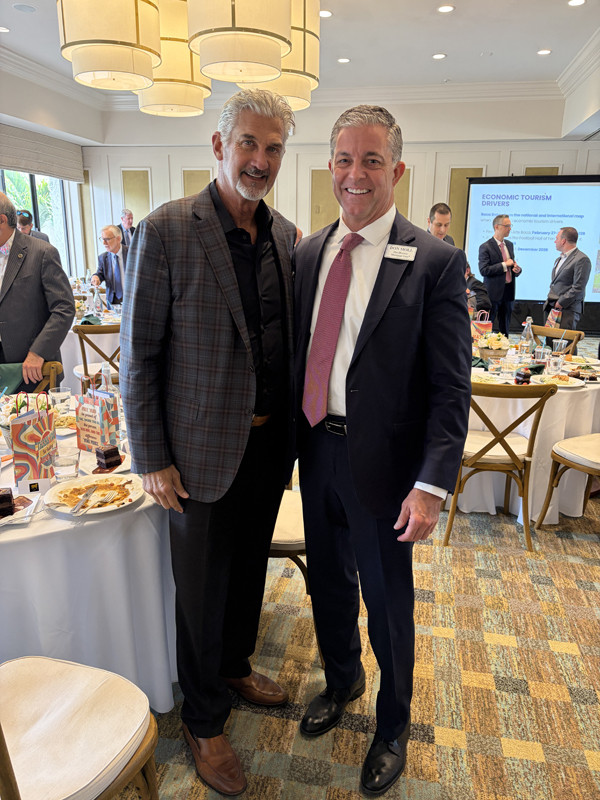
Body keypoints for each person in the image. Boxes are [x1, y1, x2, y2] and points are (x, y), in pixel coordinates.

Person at [120, 89, 297, 797]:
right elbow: (139, 357)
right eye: (248, 143)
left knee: (249, 570)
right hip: (193, 456)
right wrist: (150, 456)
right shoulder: (167, 229)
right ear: (220, 146)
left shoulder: (285, 234)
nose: (260, 160)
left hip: (268, 446)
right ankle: (202, 718)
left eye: (274, 148)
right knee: (199, 590)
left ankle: (233, 666)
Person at [294, 106, 471, 796]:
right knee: (329, 585)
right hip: (316, 450)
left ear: (397, 169)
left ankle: (393, 725)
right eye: (344, 159)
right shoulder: (309, 252)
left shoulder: (435, 261)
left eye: (371, 160)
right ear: (330, 166)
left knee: (388, 602)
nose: (355, 174)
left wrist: (431, 484)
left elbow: (450, 388)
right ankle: (342, 681)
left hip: (388, 468)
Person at [0, 193, 74, 391]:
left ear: (2, 220)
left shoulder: (42, 252)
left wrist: (38, 352)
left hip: (32, 368)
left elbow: (64, 309)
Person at [478, 214, 522, 336]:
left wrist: (517, 269)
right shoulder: (485, 247)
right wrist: (504, 265)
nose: (510, 229)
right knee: (488, 327)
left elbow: (511, 265)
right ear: (497, 227)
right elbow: (484, 270)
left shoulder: (509, 245)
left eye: (510, 226)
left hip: (508, 291)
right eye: (507, 226)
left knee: (505, 328)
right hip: (493, 293)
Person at [544, 227, 591, 333]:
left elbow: (578, 286)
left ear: (563, 240)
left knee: (564, 341)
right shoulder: (559, 259)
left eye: (557, 238)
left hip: (567, 309)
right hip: (552, 307)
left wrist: (561, 302)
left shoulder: (581, 259)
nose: (555, 241)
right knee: (550, 339)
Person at [92, 225, 128, 305]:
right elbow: (100, 273)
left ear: (118, 239)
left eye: (107, 239)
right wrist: (96, 277)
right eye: (102, 239)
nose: (104, 243)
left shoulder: (132, 253)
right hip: (113, 300)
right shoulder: (103, 257)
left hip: (131, 298)